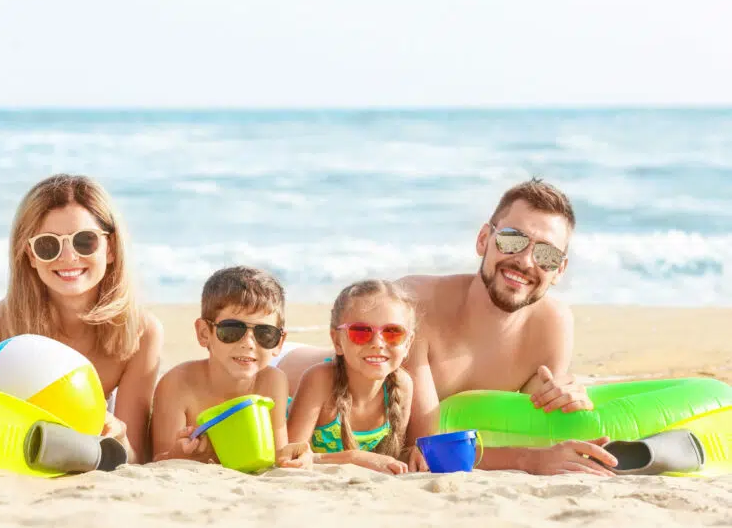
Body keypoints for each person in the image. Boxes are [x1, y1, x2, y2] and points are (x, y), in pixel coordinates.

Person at [400, 178, 617, 475]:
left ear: (559, 271)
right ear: (483, 240)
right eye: (512, 239)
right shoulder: (416, 304)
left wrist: (567, 393)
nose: (526, 261)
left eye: (546, 255)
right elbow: (422, 449)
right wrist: (528, 460)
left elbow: (536, 423)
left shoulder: (552, 324)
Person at [0, 174, 163, 464]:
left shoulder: (141, 332)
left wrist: (118, 435)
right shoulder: (0, 323)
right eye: (49, 245)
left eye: (85, 241)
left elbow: (135, 457)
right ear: (30, 255)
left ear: (110, 248)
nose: (69, 257)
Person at [150, 266, 311, 468]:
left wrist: (297, 458)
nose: (249, 343)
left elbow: (278, 455)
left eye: (265, 333)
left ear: (279, 342)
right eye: (232, 330)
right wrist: (178, 453)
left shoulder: (273, 381)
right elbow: (157, 461)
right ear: (203, 333)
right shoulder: (178, 384)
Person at [287, 279, 414, 475]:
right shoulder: (320, 380)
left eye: (392, 332)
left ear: (408, 344)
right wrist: (354, 458)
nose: (378, 343)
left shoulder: (402, 385)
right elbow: (292, 457)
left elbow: (394, 457)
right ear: (337, 340)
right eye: (361, 331)